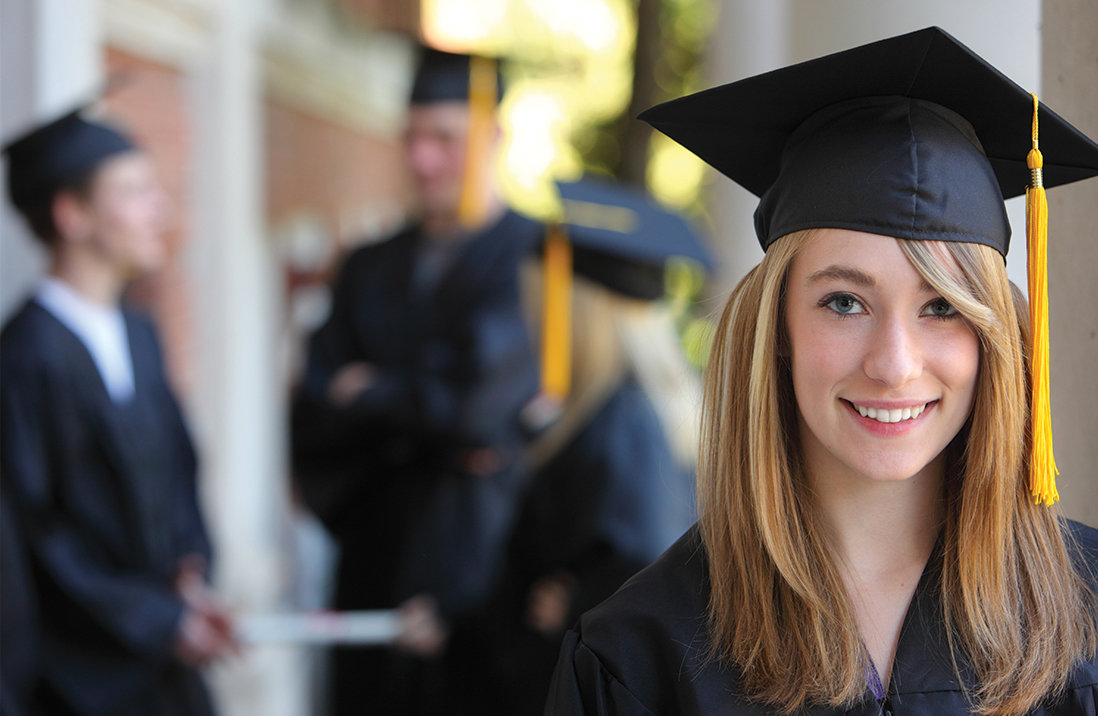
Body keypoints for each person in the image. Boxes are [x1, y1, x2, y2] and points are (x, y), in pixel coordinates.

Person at [545, 27, 1098, 715]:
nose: (893, 363)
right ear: (778, 331)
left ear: (994, 337)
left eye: (943, 306)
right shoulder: (638, 660)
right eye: (844, 301)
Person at [289, 46, 544, 714]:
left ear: (493, 138)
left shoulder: (536, 260)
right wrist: (432, 405)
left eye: (445, 139)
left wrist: (371, 393)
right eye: (411, 138)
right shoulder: (370, 264)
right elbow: (313, 408)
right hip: (372, 553)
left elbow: (478, 408)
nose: (422, 159)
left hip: (485, 564)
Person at [0, 106, 236, 715]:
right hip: (82, 679)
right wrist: (156, 620)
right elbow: (37, 535)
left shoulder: (138, 331)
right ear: (71, 214)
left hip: (165, 665)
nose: (158, 208)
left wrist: (190, 574)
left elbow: (178, 469)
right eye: (133, 192)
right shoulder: (26, 358)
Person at [458, 177, 709, 714]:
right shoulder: (633, 412)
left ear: (579, 313)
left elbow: (646, 563)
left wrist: (577, 603)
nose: (530, 321)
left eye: (541, 305)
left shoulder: (623, 421)